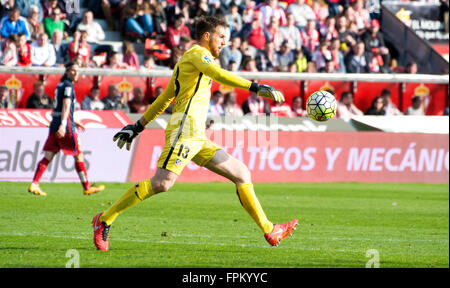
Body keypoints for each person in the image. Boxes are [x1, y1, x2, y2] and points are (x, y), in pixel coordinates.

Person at [92, 16, 297, 252]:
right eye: (221, 37)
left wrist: (138, 126)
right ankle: (105, 219)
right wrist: (256, 87)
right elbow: (219, 75)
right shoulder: (198, 54)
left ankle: (270, 229)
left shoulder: (189, 63)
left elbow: (166, 97)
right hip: (183, 131)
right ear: (207, 36)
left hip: (197, 136)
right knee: (162, 183)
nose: (224, 43)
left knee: (242, 174)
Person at [28, 62, 105, 197]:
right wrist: (64, 124)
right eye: (73, 71)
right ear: (67, 72)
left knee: (49, 155)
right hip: (65, 127)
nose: (76, 74)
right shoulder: (68, 86)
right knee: (78, 154)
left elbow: (60, 108)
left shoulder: (60, 85)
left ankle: (34, 184)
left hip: (55, 124)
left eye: (78, 71)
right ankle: (87, 187)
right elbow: (65, 105)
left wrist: (73, 120)